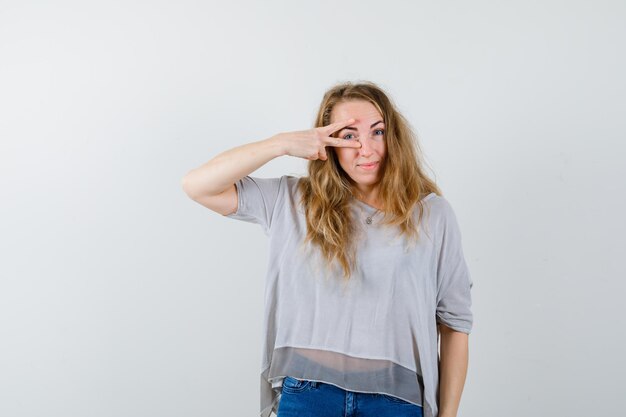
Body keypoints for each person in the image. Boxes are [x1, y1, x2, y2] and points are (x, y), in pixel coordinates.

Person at [181, 81, 473, 417]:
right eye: (348, 135)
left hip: (395, 402)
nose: (367, 148)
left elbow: (454, 325)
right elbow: (197, 185)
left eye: (378, 132)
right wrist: (280, 144)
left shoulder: (432, 215)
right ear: (326, 143)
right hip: (308, 395)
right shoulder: (292, 201)